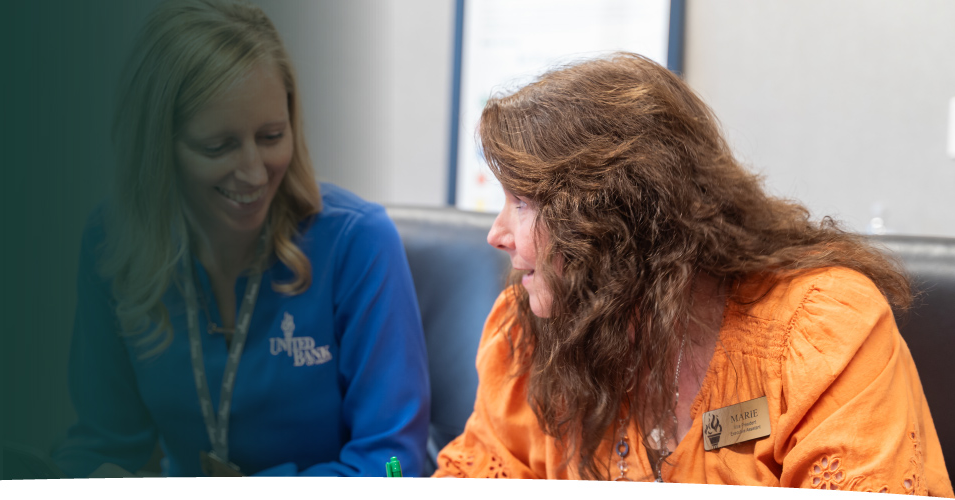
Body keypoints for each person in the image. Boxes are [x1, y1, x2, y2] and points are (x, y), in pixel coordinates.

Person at [433, 52, 952, 495]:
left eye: (523, 203)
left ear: (616, 215)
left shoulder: (822, 328)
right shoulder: (527, 333)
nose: (496, 234)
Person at [52, 0, 429, 478]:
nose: (253, 173)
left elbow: (393, 461)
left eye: (271, 136)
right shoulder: (111, 244)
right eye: (218, 146)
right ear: (156, 149)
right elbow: (103, 441)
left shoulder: (359, 242)